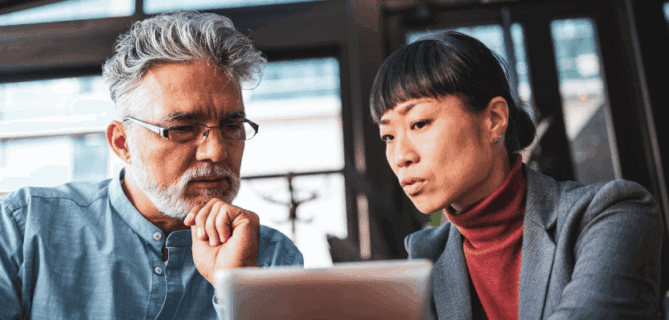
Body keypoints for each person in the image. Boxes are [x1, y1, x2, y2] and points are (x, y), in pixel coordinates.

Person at [0, 11, 303, 319]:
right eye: (183, 128)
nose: (216, 151)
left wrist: (236, 292)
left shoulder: (272, 258)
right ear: (123, 143)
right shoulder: (24, 228)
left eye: (232, 126)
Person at [370, 31, 662, 319]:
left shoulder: (612, 214)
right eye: (388, 137)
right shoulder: (426, 256)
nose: (400, 157)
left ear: (494, 120)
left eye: (419, 123)